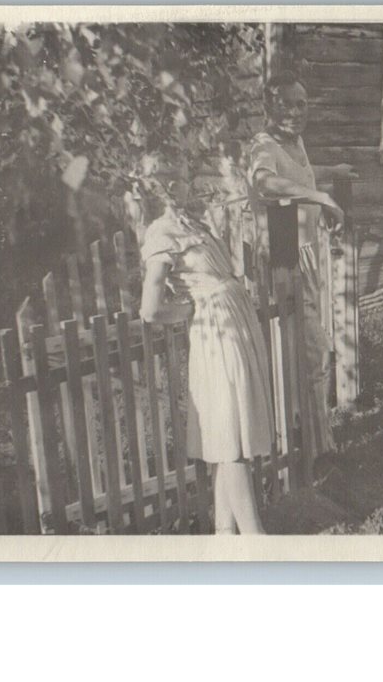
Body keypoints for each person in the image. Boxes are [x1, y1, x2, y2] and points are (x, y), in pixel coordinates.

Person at [138, 154, 273, 534]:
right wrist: (184, 312)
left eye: (182, 177)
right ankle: (254, 538)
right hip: (216, 331)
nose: (179, 186)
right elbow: (149, 309)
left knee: (231, 428)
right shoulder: (161, 233)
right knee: (230, 434)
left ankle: (224, 534)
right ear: (153, 187)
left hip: (235, 321)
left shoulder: (194, 223)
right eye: (169, 180)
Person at [249, 71, 356, 460]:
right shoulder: (263, 144)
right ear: (267, 107)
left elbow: (296, 191)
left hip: (307, 256)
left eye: (300, 104)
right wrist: (319, 196)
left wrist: (322, 198)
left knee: (312, 353)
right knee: (308, 353)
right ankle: (310, 448)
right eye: (284, 104)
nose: (294, 112)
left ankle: (314, 439)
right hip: (283, 260)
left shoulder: (296, 143)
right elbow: (265, 183)